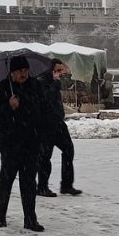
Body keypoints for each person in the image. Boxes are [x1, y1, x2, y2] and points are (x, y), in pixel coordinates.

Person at [0, 55, 45, 232]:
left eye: (26, 70)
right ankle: (0, 215)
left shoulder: (35, 86)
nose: (24, 74)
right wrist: (7, 106)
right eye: (20, 71)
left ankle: (30, 219)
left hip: (31, 142)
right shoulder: (0, 88)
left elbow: (42, 109)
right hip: (10, 143)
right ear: (12, 72)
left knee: (28, 183)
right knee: (6, 181)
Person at [37, 59, 81, 198]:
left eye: (62, 70)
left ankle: (66, 185)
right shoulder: (41, 82)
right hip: (45, 125)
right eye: (58, 71)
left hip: (58, 123)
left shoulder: (56, 82)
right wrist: (54, 84)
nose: (61, 73)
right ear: (51, 70)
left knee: (68, 149)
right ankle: (42, 187)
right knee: (45, 157)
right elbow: (44, 99)